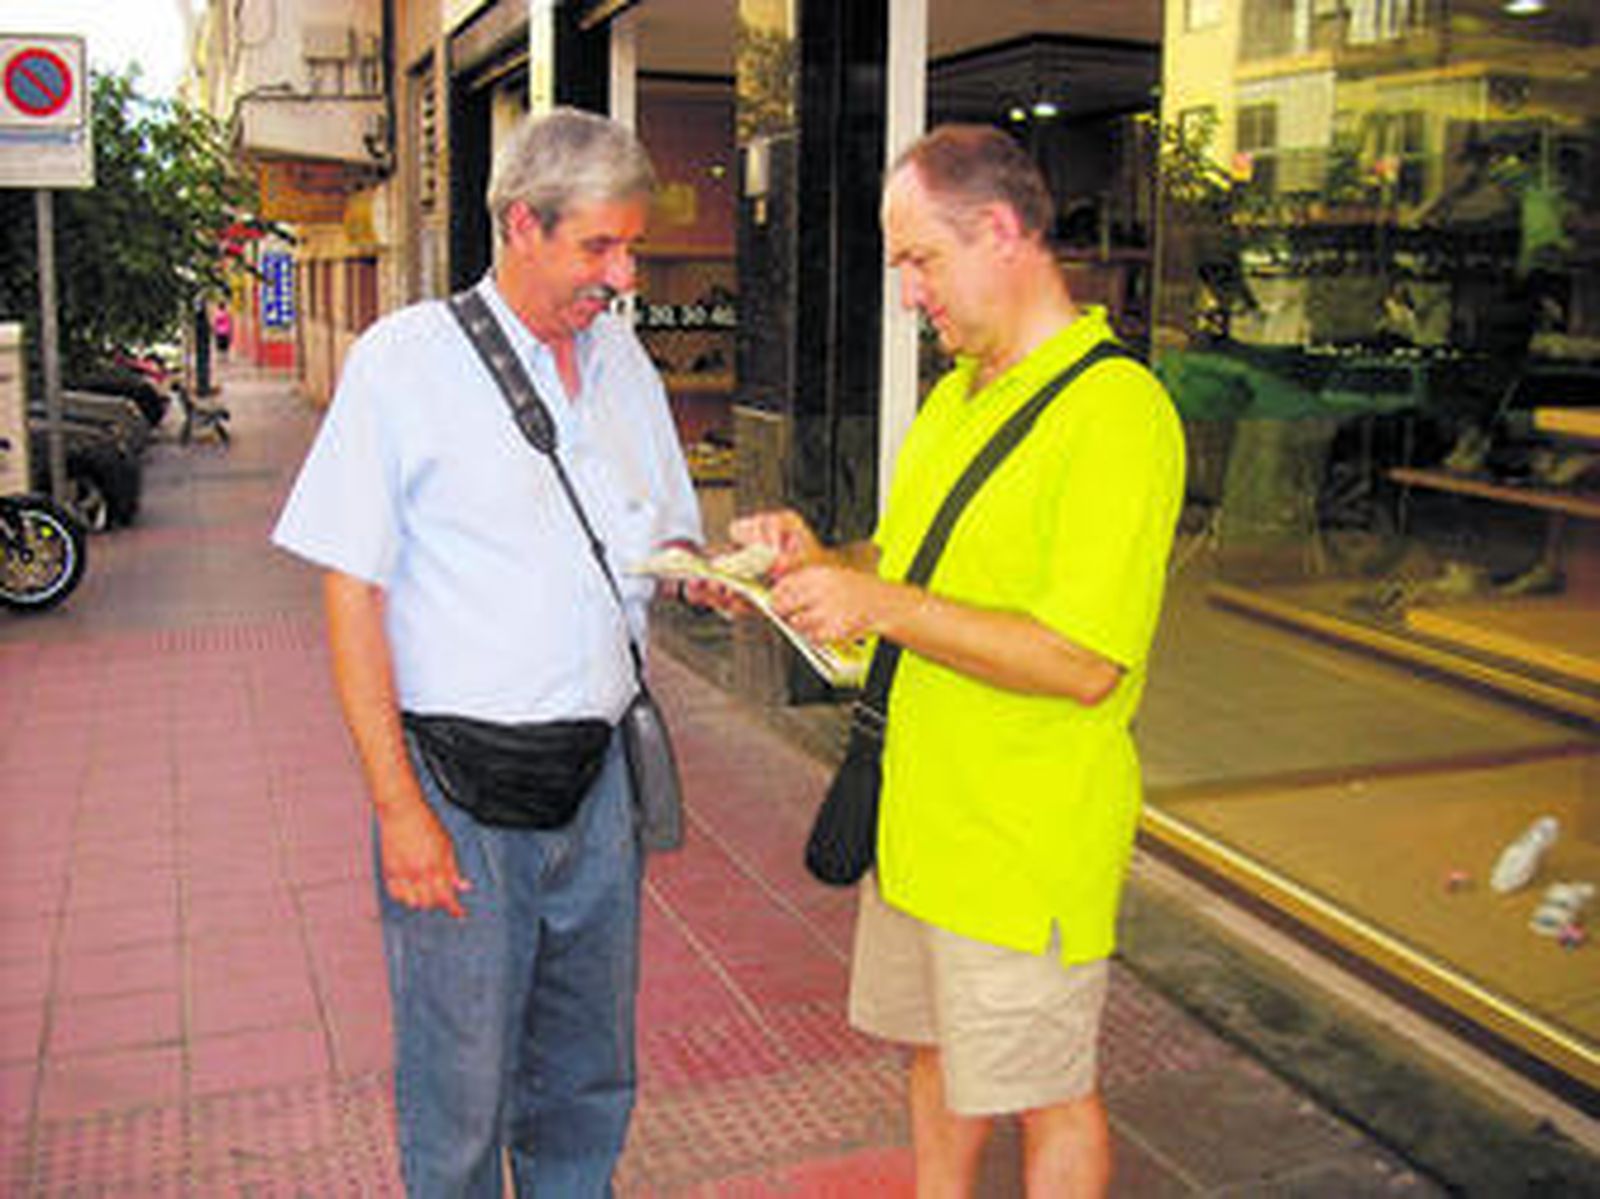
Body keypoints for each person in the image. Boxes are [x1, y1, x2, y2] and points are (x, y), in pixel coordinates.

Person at [724, 126, 1184, 1196]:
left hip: (1022, 844)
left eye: (920, 259)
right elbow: (905, 564)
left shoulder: (1116, 413)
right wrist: (819, 561)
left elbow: (1084, 661)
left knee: (1046, 1093)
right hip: (918, 823)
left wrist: (880, 602)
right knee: (935, 1057)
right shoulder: (957, 396)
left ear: (1002, 231)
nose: (906, 292)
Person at [272, 108, 702, 1196]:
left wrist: (715, 570)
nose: (624, 275)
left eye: (631, 247)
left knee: (588, 1072)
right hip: (457, 792)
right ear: (521, 224)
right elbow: (351, 591)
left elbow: (664, 536)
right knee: (459, 1082)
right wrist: (397, 807)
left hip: (598, 781)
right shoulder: (404, 362)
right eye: (599, 246)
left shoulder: (623, 362)